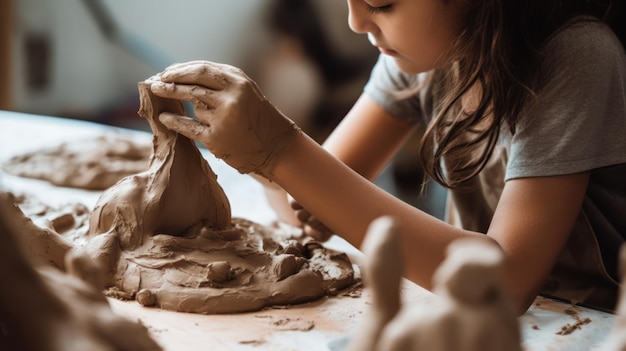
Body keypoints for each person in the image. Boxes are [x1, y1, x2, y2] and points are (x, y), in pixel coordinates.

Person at [148, 0, 626, 314]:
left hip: (590, 321)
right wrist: (255, 149)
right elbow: (313, 209)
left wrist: (281, 151)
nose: (357, 22)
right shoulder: (417, 56)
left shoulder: (576, 56)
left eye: (381, 3)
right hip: (478, 310)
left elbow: (505, 282)